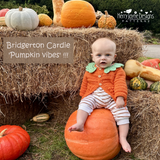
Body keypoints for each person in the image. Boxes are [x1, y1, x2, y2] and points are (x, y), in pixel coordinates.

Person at [68, 37, 131, 153]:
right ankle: (80, 123)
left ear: (114, 57)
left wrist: (120, 97)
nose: (103, 58)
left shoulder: (118, 70)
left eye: (107, 55)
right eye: (99, 55)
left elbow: (120, 84)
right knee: (84, 104)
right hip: (94, 97)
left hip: (111, 99)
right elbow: (85, 83)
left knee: (123, 114)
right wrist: (84, 95)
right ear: (93, 57)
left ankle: (122, 138)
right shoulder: (90, 69)